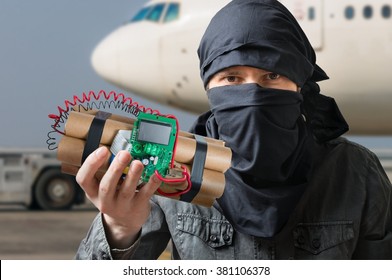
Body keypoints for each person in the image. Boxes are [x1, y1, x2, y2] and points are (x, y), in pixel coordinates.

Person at [75, 0, 392, 259]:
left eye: (271, 76)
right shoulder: (172, 172)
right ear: (209, 86)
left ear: (299, 85)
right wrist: (119, 229)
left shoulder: (354, 172)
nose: (253, 95)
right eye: (232, 79)